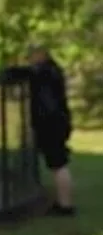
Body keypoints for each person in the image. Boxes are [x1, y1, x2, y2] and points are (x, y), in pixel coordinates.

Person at [27, 46, 75, 216]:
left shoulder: (44, 72)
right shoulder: (53, 70)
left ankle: (65, 205)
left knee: (58, 163)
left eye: (32, 54)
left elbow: (26, 75)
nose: (29, 58)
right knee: (58, 163)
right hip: (58, 121)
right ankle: (63, 201)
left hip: (51, 123)